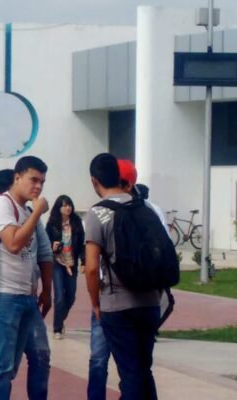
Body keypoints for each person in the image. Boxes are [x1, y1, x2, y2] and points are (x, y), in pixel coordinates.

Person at [84, 153, 161, 400]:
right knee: (143, 369)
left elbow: (91, 268)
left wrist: (95, 303)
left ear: (95, 181)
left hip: (116, 304)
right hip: (150, 302)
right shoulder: (143, 207)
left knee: (129, 374)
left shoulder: (98, 213)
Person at [0, 156, 52, 400]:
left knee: (37, 356)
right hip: (1, 297)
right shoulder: (1, 204)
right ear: (17, 177)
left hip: (26, 298)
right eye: (33, 180)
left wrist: (46, 290)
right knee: (1, 367)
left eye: (42, 182)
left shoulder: (26, 211)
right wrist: (38, 211)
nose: (38, 187)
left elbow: (43, 253)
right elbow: (13, 244)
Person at [46, 195, 85, 340]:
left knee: (71, 296)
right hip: (57, 263)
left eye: (69, 205)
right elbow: (45, 242)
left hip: (71, 264)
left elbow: (82, 244)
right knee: (59, 297)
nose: (68, 208)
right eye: (64, 205)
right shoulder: (52, 224)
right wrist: (52, 245)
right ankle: (57, 329)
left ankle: (60, 320)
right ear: (59, 208)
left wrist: (84, 261)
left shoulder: (77, 222)